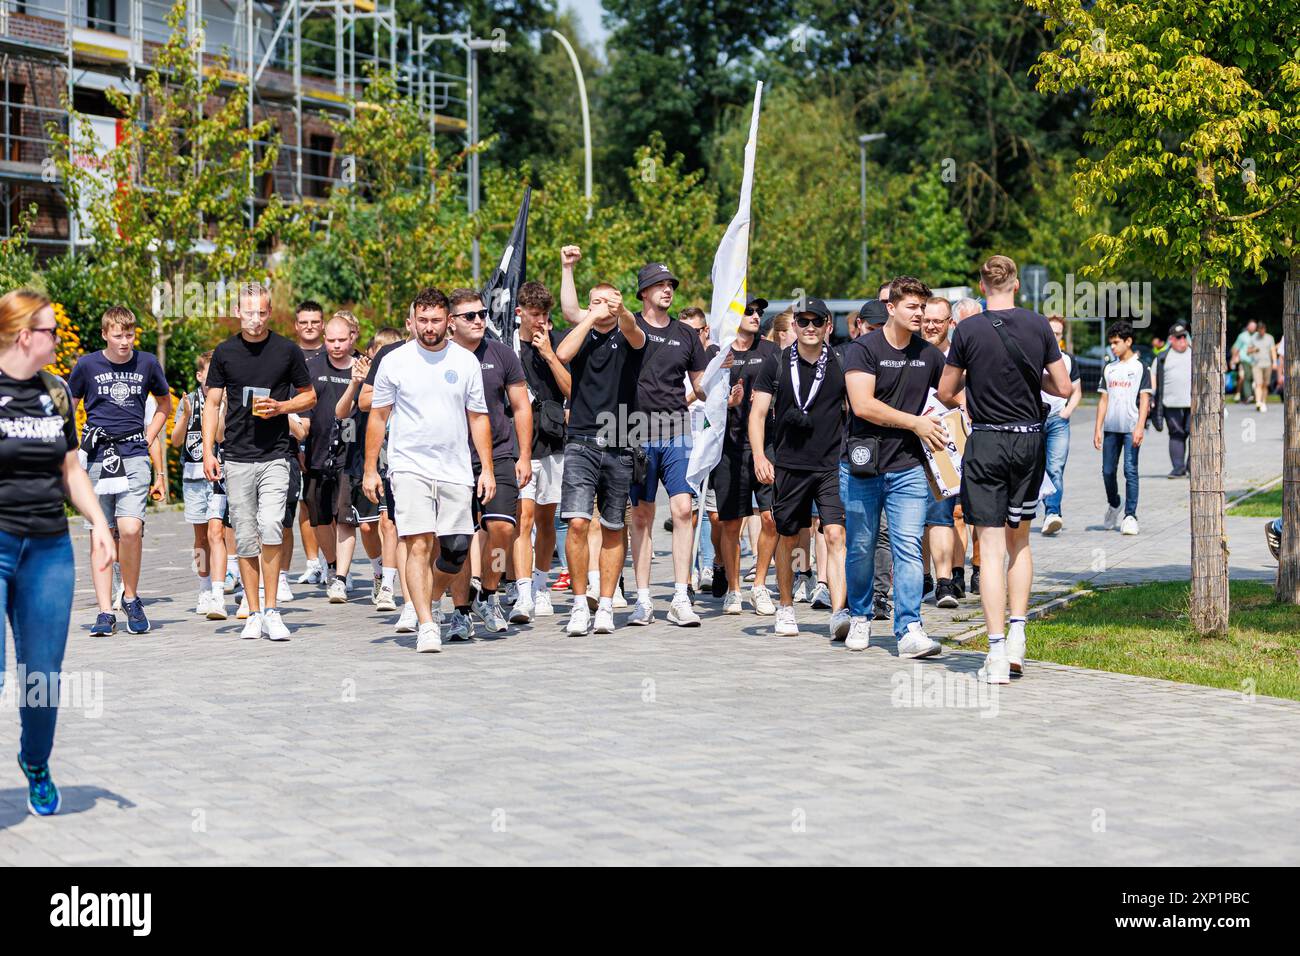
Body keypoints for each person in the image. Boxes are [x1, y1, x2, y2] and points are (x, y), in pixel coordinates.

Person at [0, 289, 115, 815]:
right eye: (50, 330)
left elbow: (71, 469)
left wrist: (98, 522)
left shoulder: (57, 391)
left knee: (42, 674)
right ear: (26, 336)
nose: (58, 338)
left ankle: (36, 760)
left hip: (47, 549)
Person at [938, 255, 1072, 685]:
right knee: (1021, 541)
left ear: (981, 284)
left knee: (990, 549)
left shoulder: (969, 330)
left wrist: (972, 390)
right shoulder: (1037, 326)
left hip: (988, 440)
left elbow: (944, 390)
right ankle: (1018, 634)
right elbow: (1064, 388)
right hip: (1030, 439)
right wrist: (1036, 383)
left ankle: (995, 652)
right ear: (1016, 285)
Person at [363, 287, 493, 653]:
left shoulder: (465, 362)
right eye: (423, 320)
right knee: (418, 542)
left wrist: (486, 469)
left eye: (436, 320)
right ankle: (425, 623)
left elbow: (478, 418)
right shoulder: (395, 361)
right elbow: (378, 416)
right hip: (408, 466)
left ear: (448, 321)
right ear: (413, 321)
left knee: (455, 550)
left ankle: (430, 597)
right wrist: (370, 469)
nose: (429, 327)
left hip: (455, 468)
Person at [203, 282, 316, 641]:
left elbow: (310, 397)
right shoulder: (224, 353)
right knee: (247, 538)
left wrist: (282, 408)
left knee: (271, 527)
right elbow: (212, 403)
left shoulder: (286, 350)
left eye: (262, 312)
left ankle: (272, 610)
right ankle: (253, 612)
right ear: (238, 312)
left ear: (270, 312)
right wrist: (208, 450)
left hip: (276, 455)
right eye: (248, 312)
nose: (255, 318)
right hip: (236, 456)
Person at [841, 277, 947, 656]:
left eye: (923, 307)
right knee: (861, 546)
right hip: (863, 466)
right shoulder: (863, 349)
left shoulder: (930, 355)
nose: (920, 314)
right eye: (912, 307)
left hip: (909, 468)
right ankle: (859, 616)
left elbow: (953, 397)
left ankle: (909, 628)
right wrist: (914, 422)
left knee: (907, 546)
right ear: (891, 308)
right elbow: (862, 405)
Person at [556, 244, 646, 636]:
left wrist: (620, 309)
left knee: (613, 525)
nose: (600, 307)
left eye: (606, 301)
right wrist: (587, 309)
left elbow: (635, 331)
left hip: (620, 438)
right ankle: (580, 603)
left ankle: (607, 605)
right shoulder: (583, 332)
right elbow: (562, 352)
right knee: (577, 522)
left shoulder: (628, 334)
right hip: (580, 439)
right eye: (594, 301)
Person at [750, 297, 849, 639]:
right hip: (789, 465)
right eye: (803, 322)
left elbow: (857, 407)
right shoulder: (775, 363)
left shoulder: (840, 362)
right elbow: (758, 414)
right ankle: (787, 607)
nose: (809, 328)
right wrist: (761, 457)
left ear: (828, 326)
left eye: (816, 322)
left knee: (835, 534)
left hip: (830, 466)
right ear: (793, 326)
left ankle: (839, 612)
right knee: (788, 536)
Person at [68, 306, 170, 636]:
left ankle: (130, 597)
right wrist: (71, 444)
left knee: (129, 529)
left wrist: (149, 434)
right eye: (117, 335)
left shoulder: (147, 363)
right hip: (98, 456)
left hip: (133, 454)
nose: (124, 341)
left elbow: (164, 403)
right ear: (104, 335)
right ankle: (103, 612)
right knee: (100, 531)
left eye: (129, 334)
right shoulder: (87, 365)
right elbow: (68, 405)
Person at [625, 262, 709, 628]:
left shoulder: (686, 335)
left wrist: (723, 380)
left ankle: (679, 595)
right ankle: (643, 599)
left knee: (682, 510)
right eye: (658, 285)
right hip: (636, 430)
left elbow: (701, 384)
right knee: (642, 515)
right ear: (643, 292)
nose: (667, 289)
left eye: (670, 284)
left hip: (677, 430)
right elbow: (576, 313)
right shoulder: (631, 328)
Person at [444, 288, 532, 638]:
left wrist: (524, 455)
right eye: (471, 316)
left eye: (482, 313)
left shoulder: (502, 354)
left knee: (502, 530)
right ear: (452, 322)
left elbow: (522, 407)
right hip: (452, 461)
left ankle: (489, 592)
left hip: (498, 455)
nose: (480, 320)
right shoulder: (441, 356)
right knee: (457, 540)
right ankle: (461, 611)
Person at [711, 296, 779, 616]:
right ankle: (734, 590)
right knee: (731, 523)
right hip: (728, 448)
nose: (756, 316)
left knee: (771, 518)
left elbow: (787, 389)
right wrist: (728, 402)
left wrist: (771, 398)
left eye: (758, 312)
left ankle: (760, 585)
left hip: (765, 447)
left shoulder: (769, 351)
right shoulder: (718, 353)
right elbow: (702, 401)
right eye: (748, 311)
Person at [303, 316, 374, 603]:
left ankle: (342, 576)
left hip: (351, 454)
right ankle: (331, 564)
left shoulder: (364, 367)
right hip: (318, 452)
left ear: (353, 337)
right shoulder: (313, 367)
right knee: (319, 518)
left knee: (345, 518)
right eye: (331, 340)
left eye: (341, 340)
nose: (336, 346)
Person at [512, 282, 570, 623]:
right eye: (535, 315)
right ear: (520, 312)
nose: (540, 321)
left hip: (552, 439)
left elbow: (571, 390)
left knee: (548, 519)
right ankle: (521, 592)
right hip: (521, 442)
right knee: (524, 518)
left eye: (545, 315)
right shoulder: (506, 346)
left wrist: (549, 352)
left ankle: (541, 583)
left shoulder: (557, 342)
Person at [170, 350, 229, 619]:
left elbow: (220, 435)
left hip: (218, 476)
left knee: (218, 532)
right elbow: (175, 440)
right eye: (209, 373)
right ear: (199, 375)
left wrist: (221, 409)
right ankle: (204, 586)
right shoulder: (188, 401)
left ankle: (219, 589)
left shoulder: (225, 399)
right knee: (200, 537)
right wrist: (186, 415)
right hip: (193, 476)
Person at [918, 295, 961, 605]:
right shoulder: (911, 353)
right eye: (927, 320)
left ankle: (945, 582)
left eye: (938, 320)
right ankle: (922, 578)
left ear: (950, 323)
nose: (931, 325)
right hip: (910, 441)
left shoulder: (959, 359)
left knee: (941, 515)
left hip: (945, 445)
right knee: (914, 517)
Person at [1095, 320, 1151, 536]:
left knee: (1130, 470)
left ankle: (1130, 515)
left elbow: (1145, 399)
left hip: (1130, 428)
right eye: (1111, 343)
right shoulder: (1109, 368)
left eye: (1117, 342)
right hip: (1111, 428)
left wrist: (1140, 427)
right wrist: (1098, 428)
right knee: (1108, 471)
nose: (1113, 347)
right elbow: (1103, 399)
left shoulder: (1140, 368)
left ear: (1128, 342)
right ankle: (1114, 503)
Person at [291, 300, 328, 586]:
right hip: (300, 436)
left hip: (331, 438)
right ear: (296, 325)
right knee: (305, 503)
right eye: (304, 321)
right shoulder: (289, 356)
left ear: (323, 324)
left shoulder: (334, 353)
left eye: (315, 321)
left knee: (328, 506)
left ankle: (336, 564)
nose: (310, 326)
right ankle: (313, 562)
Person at [1040, 315, 1082, 533]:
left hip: (1058, 421)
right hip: (1035, 420)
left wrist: (1067, 412)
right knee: (1035, 468)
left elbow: (1077, 391)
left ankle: (1052, 513)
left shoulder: (1067, 360)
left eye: (1057, 333)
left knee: (1055, 468)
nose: (1054, 337)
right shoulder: (1034, 356)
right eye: (1051, 332)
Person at [1150, 323, 1191, 478]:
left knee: (1194, 434)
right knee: (1176, 434)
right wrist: (1152, 396)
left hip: (1193, 403)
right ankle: (1179, 468)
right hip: (1171, 403)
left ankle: (1194, 468)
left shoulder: (1195, 353)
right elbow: (1153, 376)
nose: (1182, 340)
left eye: (1184, 337)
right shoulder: (1162, 357)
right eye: (1178, 337)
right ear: (1171, 339)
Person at [1247, 321, 1278, 413]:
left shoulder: (1270, 338)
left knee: (1265, 384)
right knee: (1258, 383)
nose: (1261, 332)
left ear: (1265, 329)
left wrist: (1275, 362)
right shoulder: (1253, 338)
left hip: (1267, 364)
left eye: (1263, 330)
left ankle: (1263, 401)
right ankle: (1258, 402)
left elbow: (1273, 350)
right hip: (1256, 364)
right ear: (1258, 330)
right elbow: (1247, 351)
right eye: (1260, 330)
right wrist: (1253, 350)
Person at [1230, 320, 1257, 405]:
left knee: (1253, 378)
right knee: (1244, 377)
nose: (1252, 328)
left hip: (1255, 361)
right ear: (1248, 327)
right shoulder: (1242, 336)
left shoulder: (1257, 336)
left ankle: (1253, 396)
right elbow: (1235, 348)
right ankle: (1246, 395)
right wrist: (1233, 359)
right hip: (1244, 360)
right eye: (1251, 326)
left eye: (1254, 327)